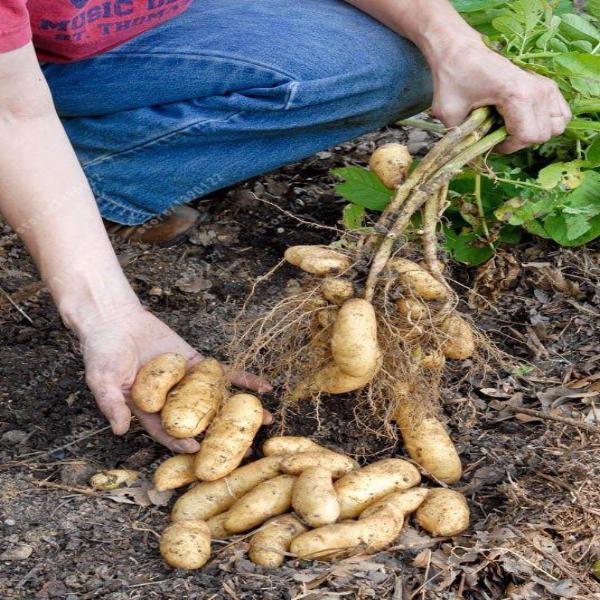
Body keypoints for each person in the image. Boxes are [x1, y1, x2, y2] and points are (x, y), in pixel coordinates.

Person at [0, 0, 571, 452]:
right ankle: (42, 192)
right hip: (19, 72)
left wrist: (456, 46)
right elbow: (12, 111)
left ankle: (69, 182)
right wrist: (110, 314)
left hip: (128, 32)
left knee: (396, 60)